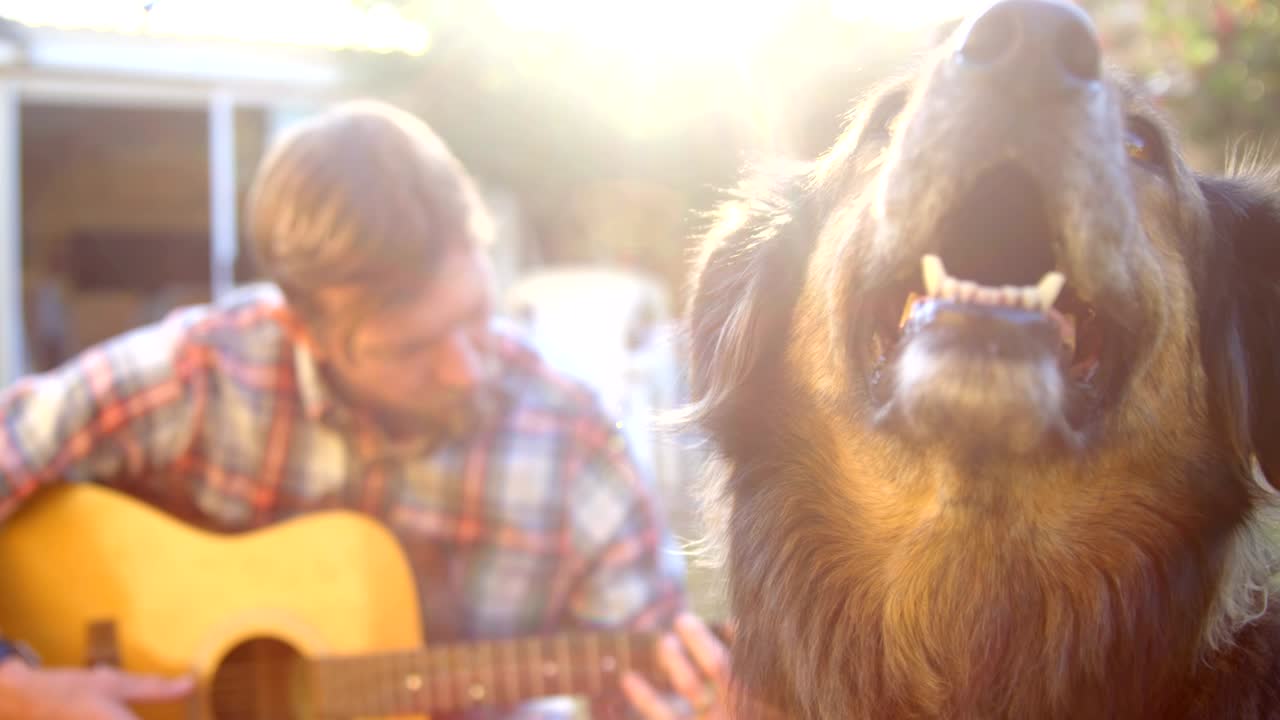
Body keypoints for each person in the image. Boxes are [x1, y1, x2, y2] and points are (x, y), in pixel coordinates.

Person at [0, 100, 733, 720]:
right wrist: (19, 687)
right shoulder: (200, 374)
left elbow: (646, 676)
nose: (466, 367)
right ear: (302, 330)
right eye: (411, 349)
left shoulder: (575, 441)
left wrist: (699, 698)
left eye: (477, 315)